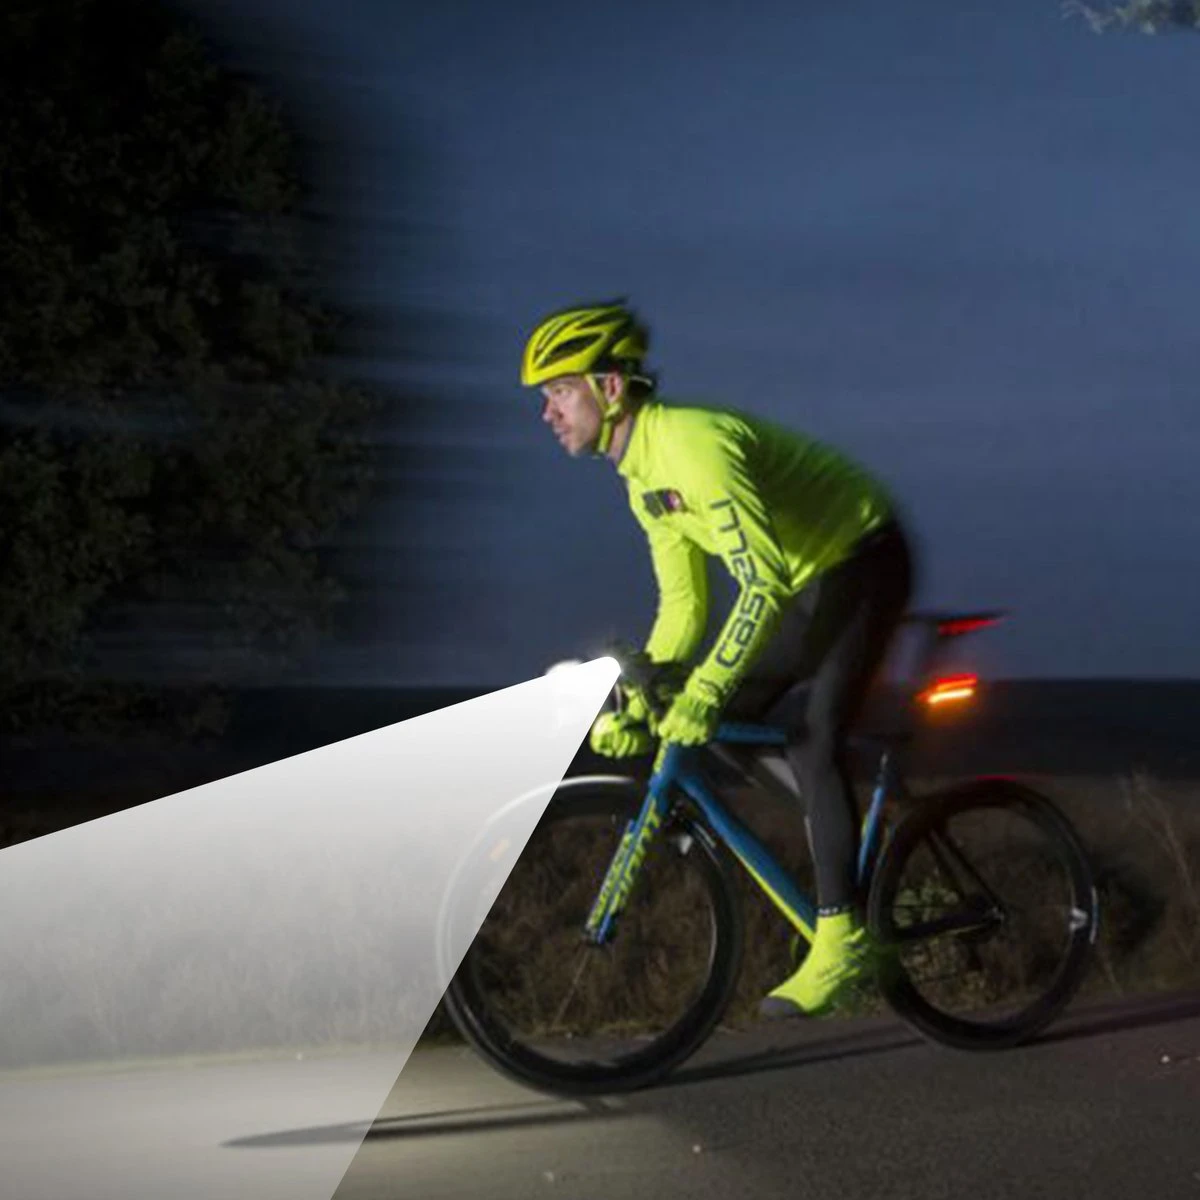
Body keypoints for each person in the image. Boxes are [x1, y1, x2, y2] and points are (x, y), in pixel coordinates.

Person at [520, 299, 914, 1017]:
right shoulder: (642, 478)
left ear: (611, 388)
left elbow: (759, 583)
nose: (548, 412)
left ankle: (842, 936)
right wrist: (642, 703)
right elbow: (684, 610)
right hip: (800, 580)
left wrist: (704, 691)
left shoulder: (691, 447)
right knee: (716, 725)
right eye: (545, 397)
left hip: (859, 557)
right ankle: (848, 837)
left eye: (561, 391)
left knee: (810, 736)